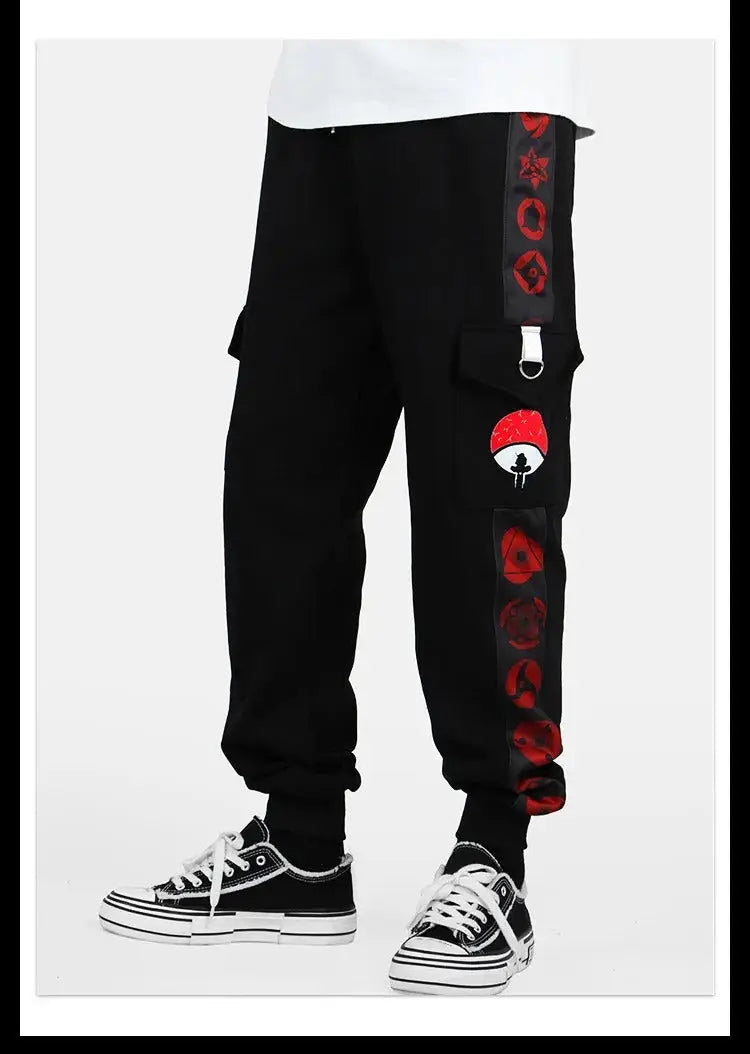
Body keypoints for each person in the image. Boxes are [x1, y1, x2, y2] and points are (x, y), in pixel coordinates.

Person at [99, 40, 594, 996]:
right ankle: (301, 842)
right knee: (285, 470)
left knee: (485, 487)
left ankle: (495, 848)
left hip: (482, 97)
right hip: (317, 106)